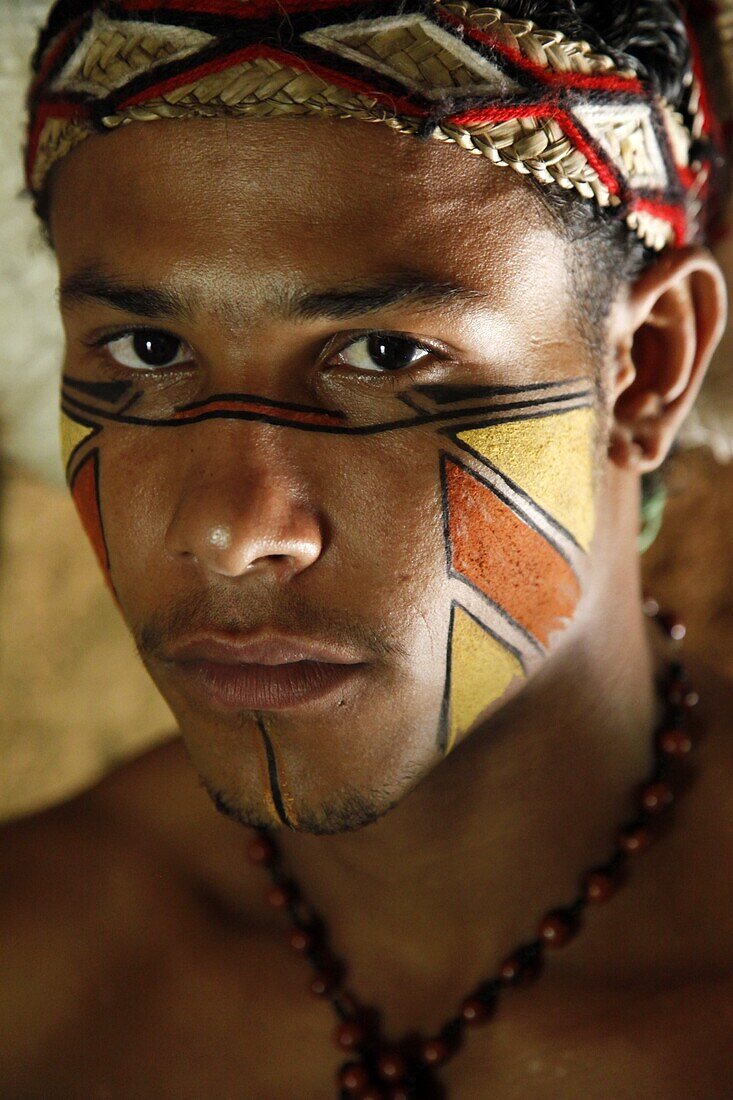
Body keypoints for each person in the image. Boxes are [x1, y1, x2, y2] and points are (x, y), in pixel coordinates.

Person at [1, 1, 731, 1096]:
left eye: (384, 352)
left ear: (648, 368)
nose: (234, 530)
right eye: (146, 346)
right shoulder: (36, 956)